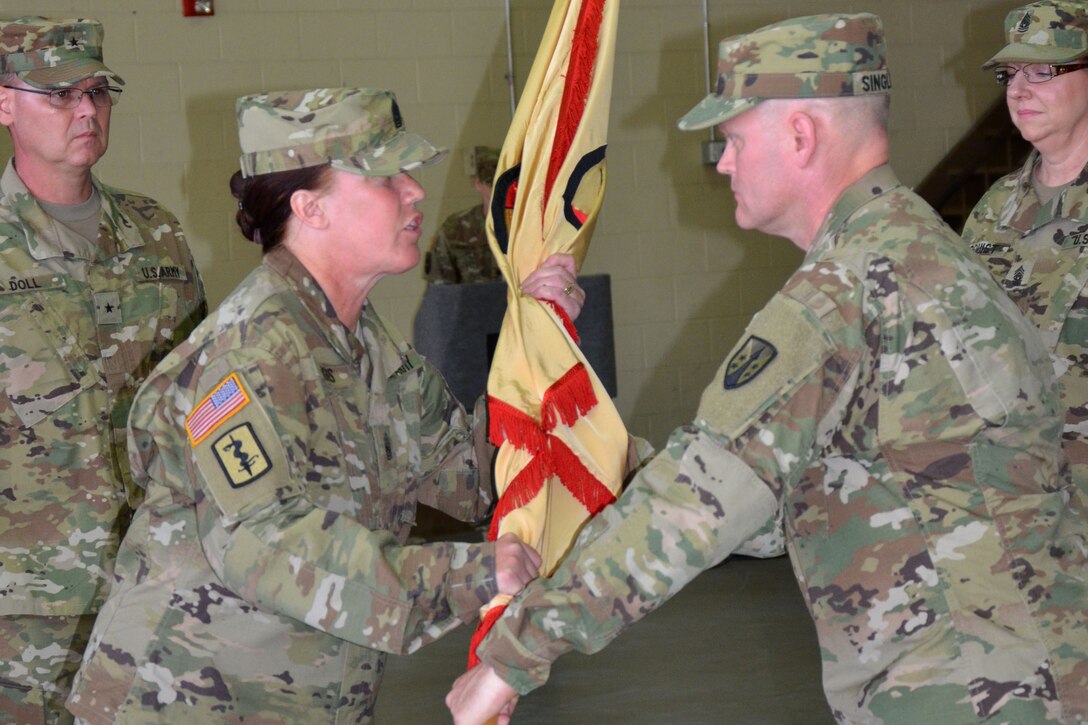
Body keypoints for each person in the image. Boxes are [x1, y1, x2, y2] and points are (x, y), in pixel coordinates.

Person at [446, 13, 1088, 725]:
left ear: (801, 136)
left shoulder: (844, 292)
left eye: (732, 138)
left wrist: (513, 656)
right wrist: (602, 453)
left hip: (968, 693)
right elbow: (780, 499)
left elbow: (698, 501)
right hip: (1018, 673)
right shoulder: (917, 248)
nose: (721, 161)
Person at [66, 87, 586, 723]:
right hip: (183, 699)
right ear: (309, 208)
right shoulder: (251, 348)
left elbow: (479, 478)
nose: (415, 191)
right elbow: (262, 544)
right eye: (386, 176)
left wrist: (536, 342)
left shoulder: (365, 343)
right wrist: (467, 575)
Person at [0, 16, 207, 723]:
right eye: (59, 95)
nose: (86, 110)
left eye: (97, 91)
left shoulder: (157, 232)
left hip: (157, 587)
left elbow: (203, 398)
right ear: (4, 104)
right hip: (26, 612)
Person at [962, 0, 1088, 500]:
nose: (1018, 89)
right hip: (1013, 495)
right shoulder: (994, 207)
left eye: (1042, 69)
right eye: (1010, 74)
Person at [423, 145, 502, 284]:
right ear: (478, 184)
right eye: (492, 183)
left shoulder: (533, 227)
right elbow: (440, 290)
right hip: (471, 304)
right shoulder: (456, 229)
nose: (500, 191)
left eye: (504, 183)